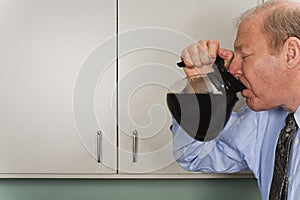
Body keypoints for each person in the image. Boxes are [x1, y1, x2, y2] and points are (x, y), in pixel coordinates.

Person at [171, 0, 300, 199]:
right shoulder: (261, 119)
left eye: (245, 55)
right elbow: (193, 155)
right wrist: (202, 85)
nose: (232, 69)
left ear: (291, 53)